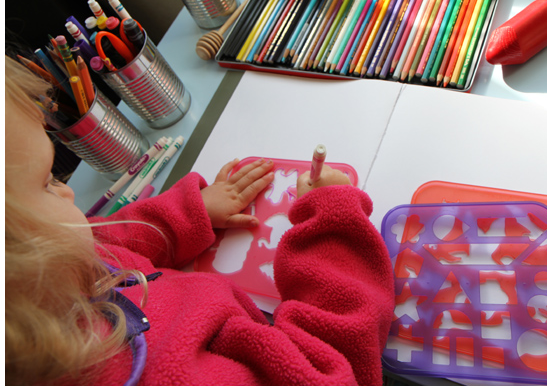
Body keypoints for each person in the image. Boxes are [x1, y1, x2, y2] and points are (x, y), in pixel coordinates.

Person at [5, 55, 395, 386]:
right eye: (47, 182)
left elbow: (109, 241)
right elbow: (335, 369)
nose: (69, 192)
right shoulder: (165, 373)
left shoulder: (42, 279)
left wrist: (192, 212)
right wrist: (333, 224)